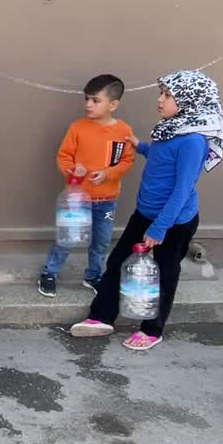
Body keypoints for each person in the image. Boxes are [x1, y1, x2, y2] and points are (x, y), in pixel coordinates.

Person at [69, 70, 223, 349]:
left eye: (168, 95)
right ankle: (101, 317)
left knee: (164, 273)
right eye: (161, 93)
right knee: (118, 261)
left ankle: (152, 330)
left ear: (190, 102)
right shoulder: (171, 129)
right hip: (146, 214)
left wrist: (159, 228)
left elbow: (182, 190)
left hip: (173, 222)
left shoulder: (193, 141)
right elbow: (160, 156)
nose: (160, 99)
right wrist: (139, 145)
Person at [38, 74, 136, 297]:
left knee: (101, 241)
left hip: (107, 200)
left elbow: (127, 161)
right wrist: (73, 170)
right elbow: (64, 156)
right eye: (87, 99)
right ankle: (49, 273)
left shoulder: (124, 131)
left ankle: (93, 275)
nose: (88, 105)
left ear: (113, 105)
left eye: (95, 100)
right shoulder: (78, 127)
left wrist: (108, 174)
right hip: (77, 199)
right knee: (67, 239)